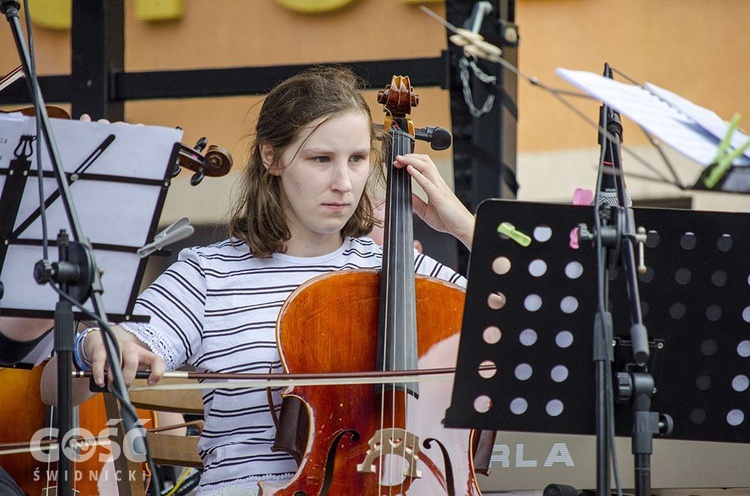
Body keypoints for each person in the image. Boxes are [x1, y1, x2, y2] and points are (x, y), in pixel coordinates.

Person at [52, 65, 475, 496]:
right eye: (320, 160)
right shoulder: (207, 274)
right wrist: (95, 346)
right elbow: (58, 387)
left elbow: (526, 320)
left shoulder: (402, 274)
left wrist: (466, 228)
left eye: (358, 159)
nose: (344, 184)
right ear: (271, 157)